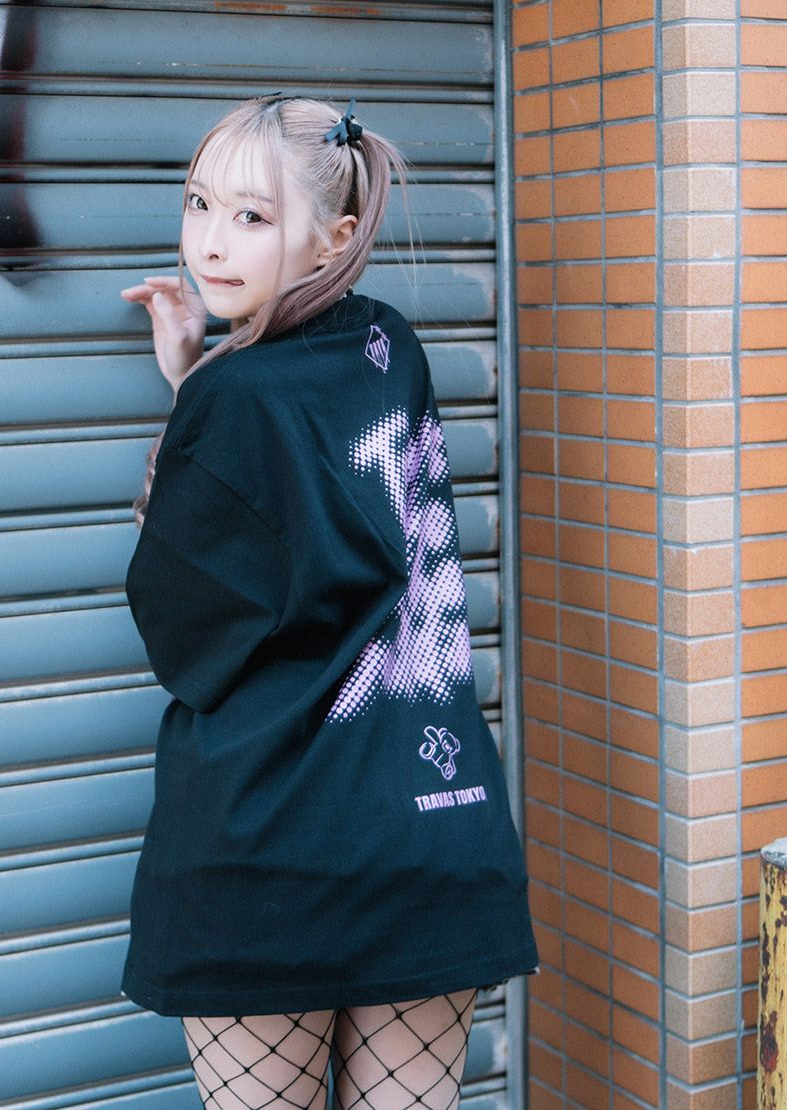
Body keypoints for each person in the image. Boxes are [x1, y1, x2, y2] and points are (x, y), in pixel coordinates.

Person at [119, 94, 537, 1110]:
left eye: (251, 216)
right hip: (432, 830)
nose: (211, 242)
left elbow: (185, 632)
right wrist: (208, 379)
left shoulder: (228, 400)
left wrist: (193, 398)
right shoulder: (393, 347)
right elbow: (335, 508)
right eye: (199, 203)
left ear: (336, 238)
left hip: (272, 850)